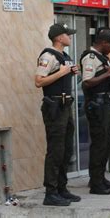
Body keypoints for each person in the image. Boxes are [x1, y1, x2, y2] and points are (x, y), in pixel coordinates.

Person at [35, 23, 81, 206]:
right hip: (54, 107)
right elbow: (39, 81)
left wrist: (71, 72)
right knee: (55, 150)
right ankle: (51, 192)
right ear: (59, 38)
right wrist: (61, 72)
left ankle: (62, 188)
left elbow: (62, 76)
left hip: (65, 106)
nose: (70, 37)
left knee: (66, 149)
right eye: (67, 34)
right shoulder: (48, 56)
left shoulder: (64, 56)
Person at [80, 28, 110, 195]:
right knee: (99, 143)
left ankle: (100, 178)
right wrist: (107, 73)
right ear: (103, 43)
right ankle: (95, 183)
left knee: (107, 142)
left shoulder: (103, 58)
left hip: (106, 104)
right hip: (97, 105)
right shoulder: (90, 58)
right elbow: (86, 83)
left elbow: (104, 79)